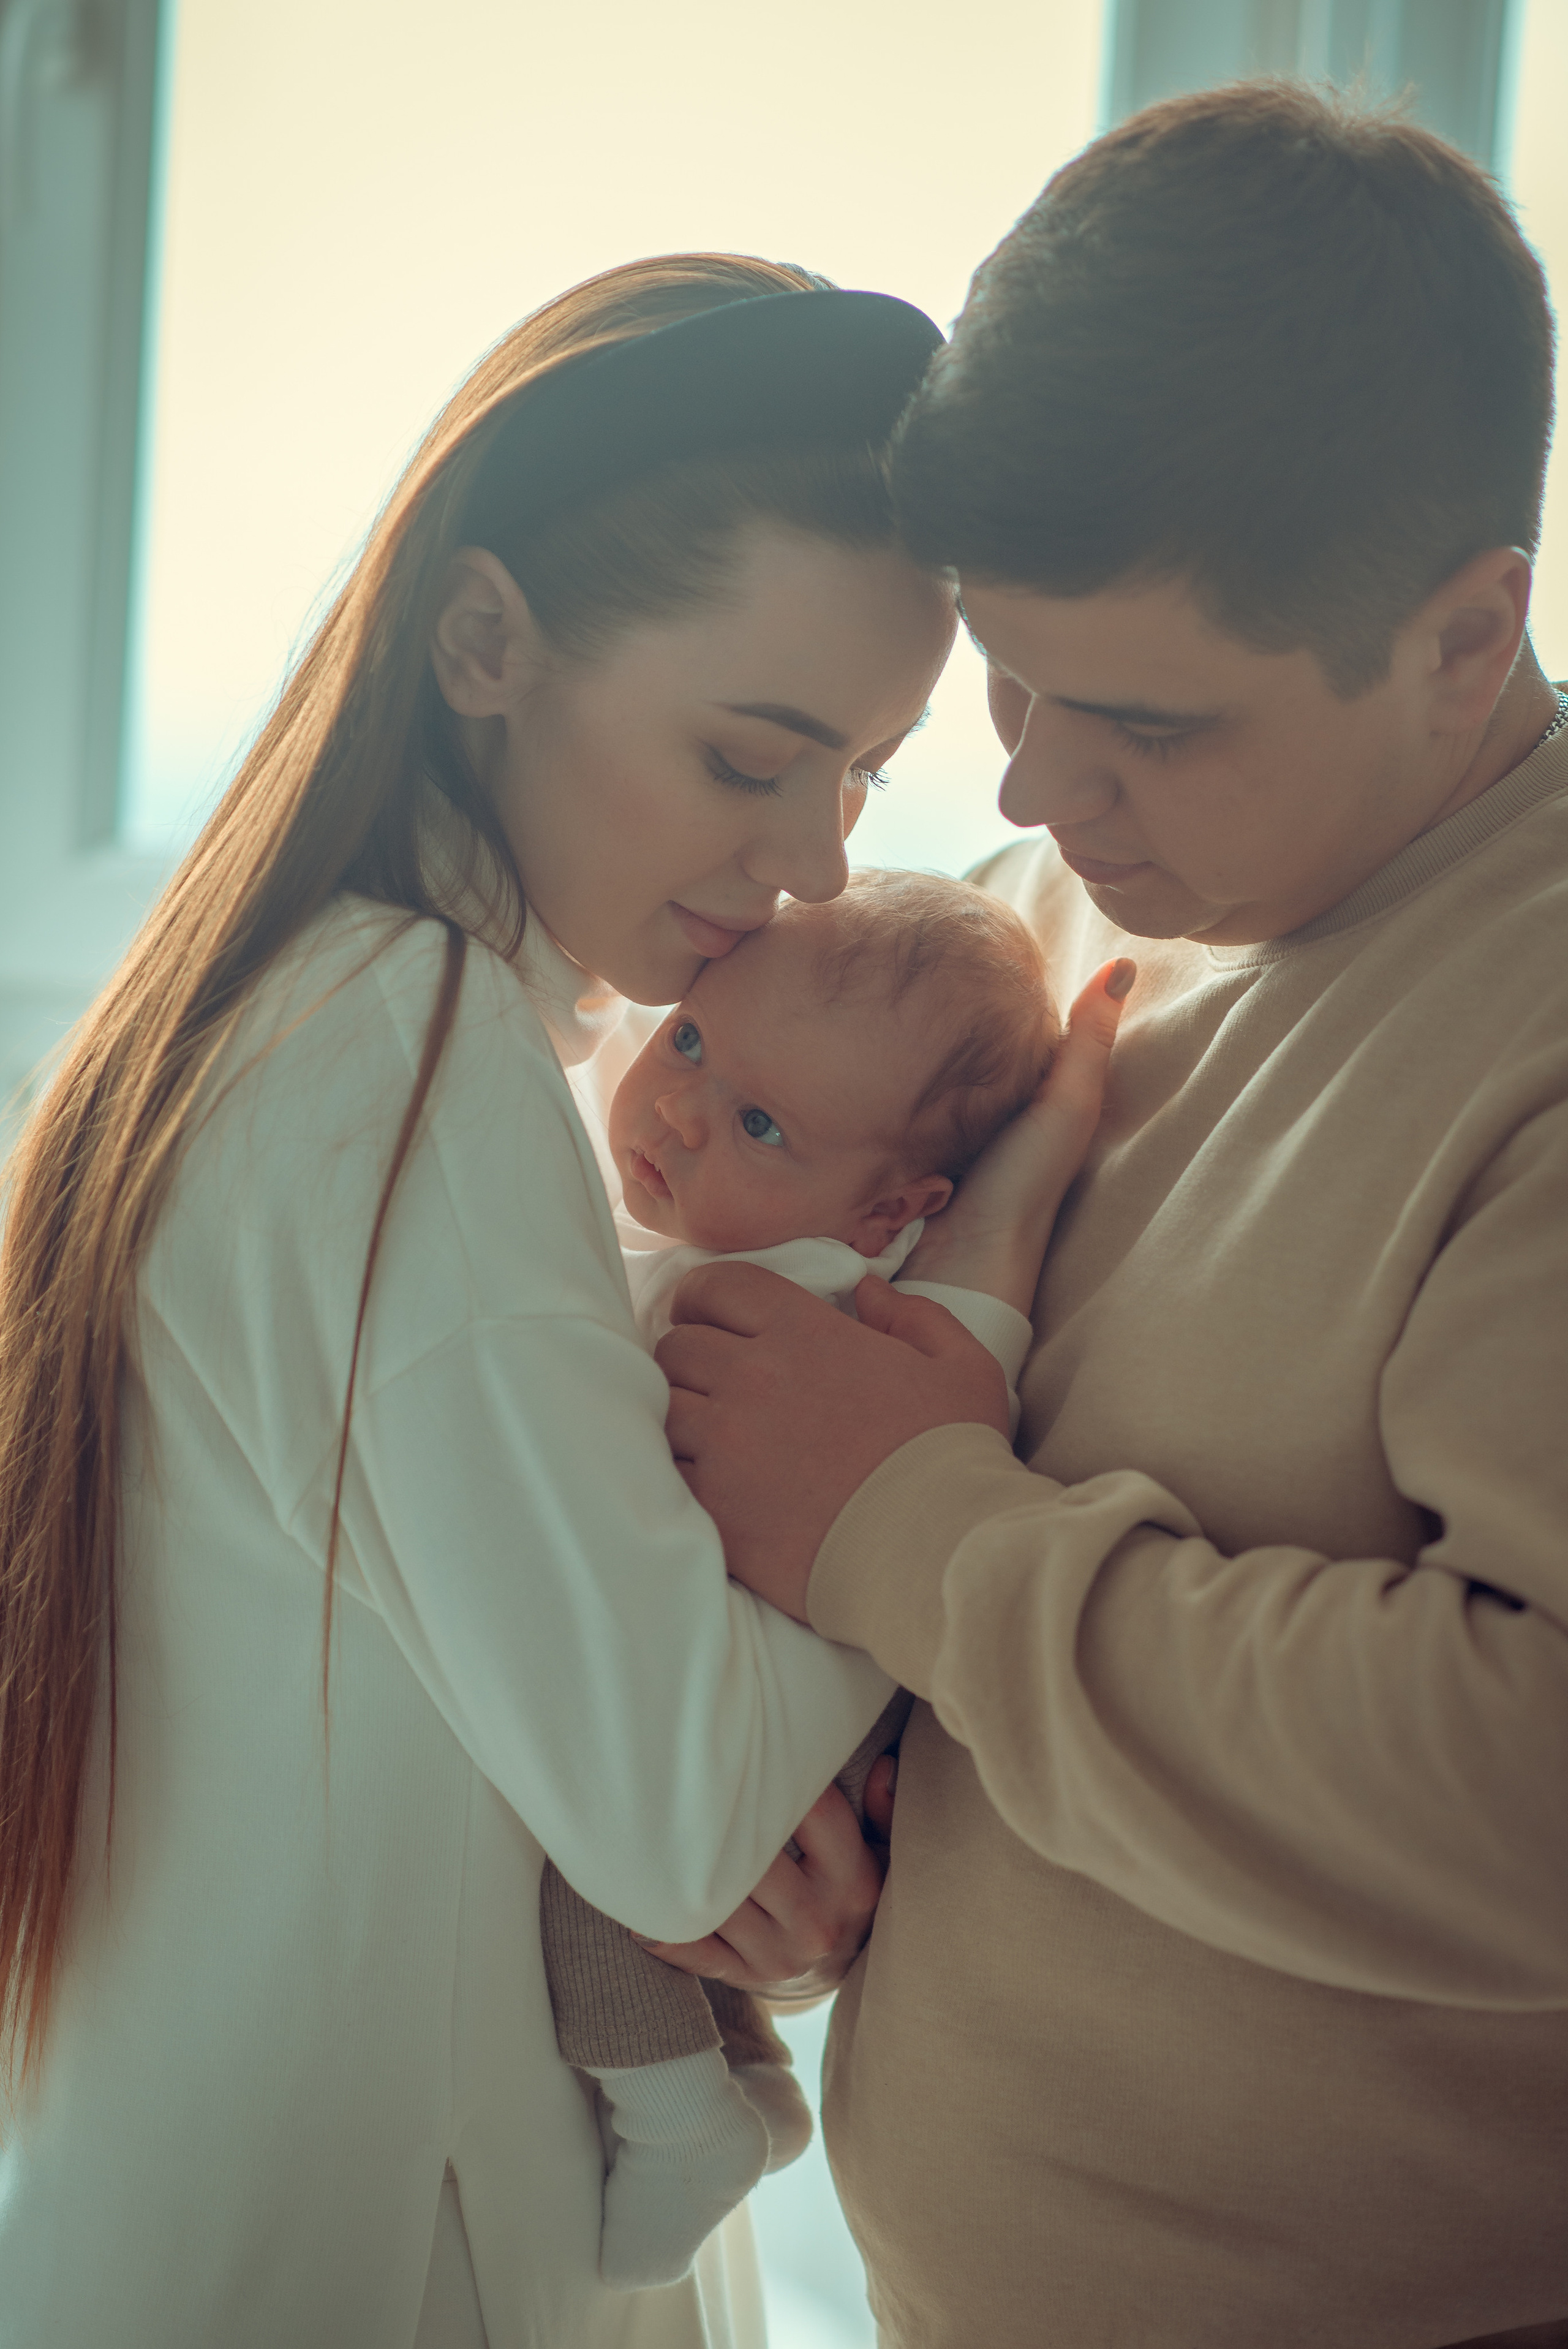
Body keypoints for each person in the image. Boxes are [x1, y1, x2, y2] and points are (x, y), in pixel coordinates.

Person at [658, 85, 1568, 2349]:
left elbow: (1533, 1774)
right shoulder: (1057, 906)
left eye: (1147, 717)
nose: (1029, 786)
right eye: (1009, 666)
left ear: (1470, 640)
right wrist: (757, 1806)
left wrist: (912, 1539)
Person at [0, 254, 969, 2349]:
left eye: (864, 781)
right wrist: (973, 1321)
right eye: (749, 756)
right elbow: (682, 1792)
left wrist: (719, 1866)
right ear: (482, 642)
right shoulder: (404, 1059)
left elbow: (596, 1761)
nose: (811, 863)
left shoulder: (300, 1011)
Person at [539, 871, 1131, 2289]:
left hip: (793, 1695)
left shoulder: (804, 1293)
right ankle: (736, 2070)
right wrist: (1035, 1154)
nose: (674, 1109)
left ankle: (679, 2109)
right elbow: (978, 1296)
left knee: (573, 1864)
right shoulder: (822, 1237)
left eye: (756, 1122)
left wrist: (1044, 1153)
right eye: (687, 1043)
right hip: (778, 1705)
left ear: (887, 1213)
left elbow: (966, 1357)